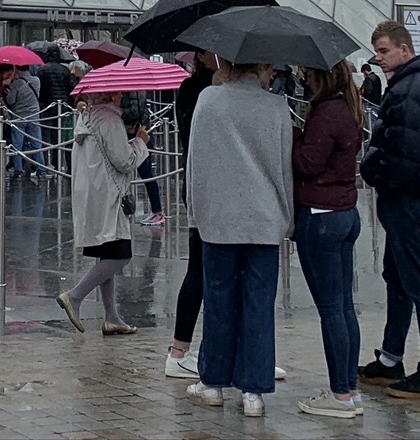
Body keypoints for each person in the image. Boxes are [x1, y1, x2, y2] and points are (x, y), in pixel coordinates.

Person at [183, 55, 293, 416]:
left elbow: (193, 164)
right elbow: (283, 169)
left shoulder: (209, 100)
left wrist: (194, 212)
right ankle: (254, 392)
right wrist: (286, 219)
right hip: (264, 220)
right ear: (261, 67)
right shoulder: (277, 107)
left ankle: (212, 382)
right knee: (260, 304)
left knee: (219, 301)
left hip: (218, 219)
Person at [358, 20, 420, 401]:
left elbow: (404, 154)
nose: (379, 59)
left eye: (384, 51)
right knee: (399, 279)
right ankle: (390, 359)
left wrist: (377, 175)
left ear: (405, 49)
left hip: (410, 199)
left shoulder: (411, 90)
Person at [291, 60, 366, 420]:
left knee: (331, 310)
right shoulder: (350, 108)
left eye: (307, 74)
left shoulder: (325, 111)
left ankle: (338, 395)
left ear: (320, 76)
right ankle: (349, 389)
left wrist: (292, 137)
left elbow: (308, 164)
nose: (304, 79)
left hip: (321, 215)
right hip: (346, 213)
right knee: (344, 307)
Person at [56, 88, 147, 338]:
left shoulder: (87, 117)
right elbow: (125, 161)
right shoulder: (109, 120)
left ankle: (112, 317)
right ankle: (74, 296)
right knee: (120, 256)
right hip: (109, 195)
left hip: (92, 191)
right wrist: (140, 142)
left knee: (107, 251)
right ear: (114, 94)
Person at [165, 58, 215, 379]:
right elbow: (194, 137)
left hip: (207, 183)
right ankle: (180, 350)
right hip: (202, 184)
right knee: (199, 266)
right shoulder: (196, 90)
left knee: (216, 270)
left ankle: (225, 348)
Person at [120, 92, 163, 224]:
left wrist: (118, 111)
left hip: (139, 135)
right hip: (133, 134)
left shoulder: (134, 93)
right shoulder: (134, 93)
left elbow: (135, 112)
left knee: (147, 175)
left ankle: (157, 211)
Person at [1, 60, 41, 179]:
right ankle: (42, 170)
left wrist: (8, 88)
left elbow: (10, 101)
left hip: (19, 117)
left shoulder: (16, 84)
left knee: (17, 145)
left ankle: (18, 170)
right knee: (36, 144)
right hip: (34, 115)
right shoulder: (36, 80)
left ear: (17, 69)